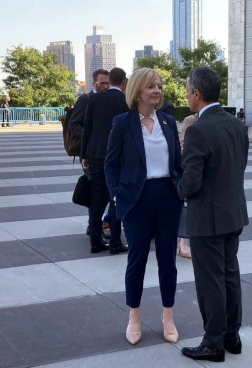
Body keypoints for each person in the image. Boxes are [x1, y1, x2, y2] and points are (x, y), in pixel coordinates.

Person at [105, 68, 183, 346]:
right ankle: (134, 317)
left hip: (168, 197)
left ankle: (168, 316)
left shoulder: (169, 122)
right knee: (136, 260)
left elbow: (177, 164)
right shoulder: (122, 123)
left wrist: (181, 189)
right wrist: (117, 196)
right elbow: (110, 164)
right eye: (151, 86)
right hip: (137, 199)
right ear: (137, 91)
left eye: (160, 86)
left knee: (168, 262)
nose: (157, 91)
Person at [178, 66, 249, 363]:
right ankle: (232, 336)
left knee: (210, 282)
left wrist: (176, 188)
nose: (186, 95)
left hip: (207, 218)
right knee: (229, 276)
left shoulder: (198, 130)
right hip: (233, 212)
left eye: (187, 90)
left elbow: (191, 183)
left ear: (197, 93)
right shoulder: (236, 124)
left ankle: (213, 343)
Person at [81, 67, 129, 255]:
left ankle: (95, 241)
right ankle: (116, 242)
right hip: (118, 157)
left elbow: (87, 128)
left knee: (96, 199)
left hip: (96, 155)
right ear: (124, 82)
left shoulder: (94, 98)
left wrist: (85, 154)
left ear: (110, 81)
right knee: (115, 199)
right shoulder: (126, 100)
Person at [68, 69, 110, 238]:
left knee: (104, 191)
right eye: (102, 84)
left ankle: (96, 226)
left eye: (108, 83)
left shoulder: (108, 100)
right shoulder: (86, 99)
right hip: (89, 154)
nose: (106, 87)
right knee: (96, 191)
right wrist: (92, 138)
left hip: (103, 153)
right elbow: (74, 124)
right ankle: (94, 228)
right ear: (94, 84)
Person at [176, 112, 199, 259]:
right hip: (190, 163)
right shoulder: (190, 120)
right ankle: (183, 241)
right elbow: (183, 142)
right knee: (186, 203)